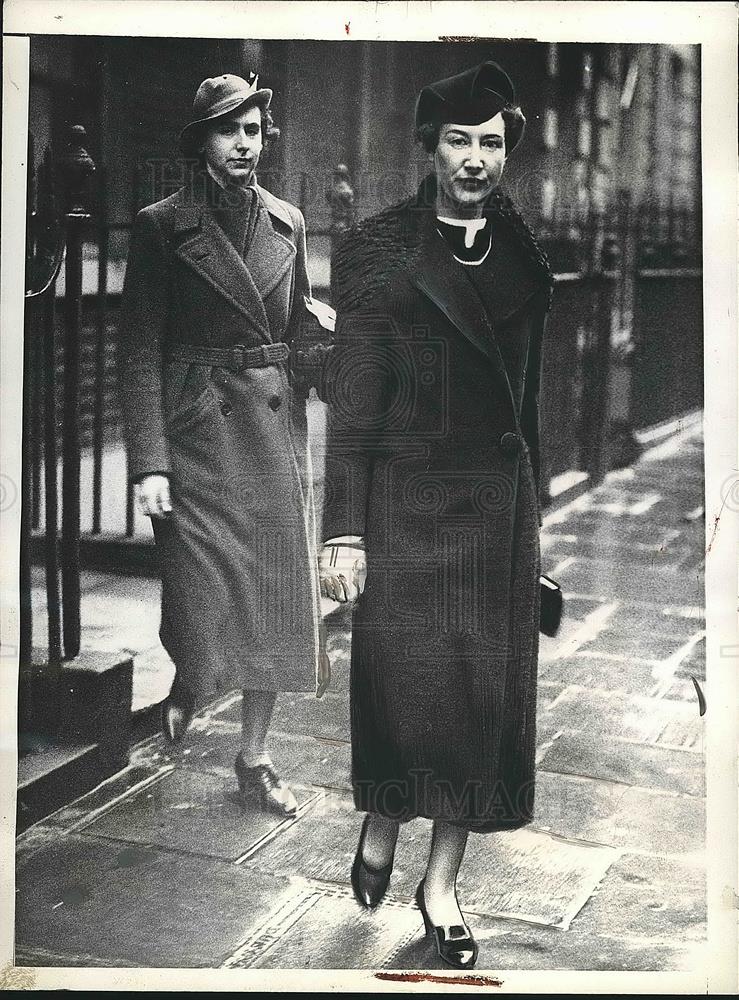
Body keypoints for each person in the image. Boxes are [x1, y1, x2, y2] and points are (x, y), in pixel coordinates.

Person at [320, 60, 554, 968]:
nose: (474, 160)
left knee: (479, 706)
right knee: (404, 689)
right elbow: (352, 405)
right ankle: (383, 815)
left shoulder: (524, 260)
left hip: (495, 507)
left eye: (490, 143)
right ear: (429, 147)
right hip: (405, 504)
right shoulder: (380, 249)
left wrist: (534, 533)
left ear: (506, 152)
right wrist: (343, 529)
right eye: (458, 140)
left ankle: (441, 886)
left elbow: (526, 410)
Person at [119, 73, 325, 820]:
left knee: (272, 594)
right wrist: (148, 461)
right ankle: (191, 676)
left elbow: (299, 325)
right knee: (200, 590)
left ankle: (255, 757)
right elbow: (140, 347)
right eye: (228, 131)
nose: (245, 145)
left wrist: (343, 357)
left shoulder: (288, 222)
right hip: (198, 425)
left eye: (254, 131)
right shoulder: (160, 226)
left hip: (270, 426)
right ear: (200, 141)